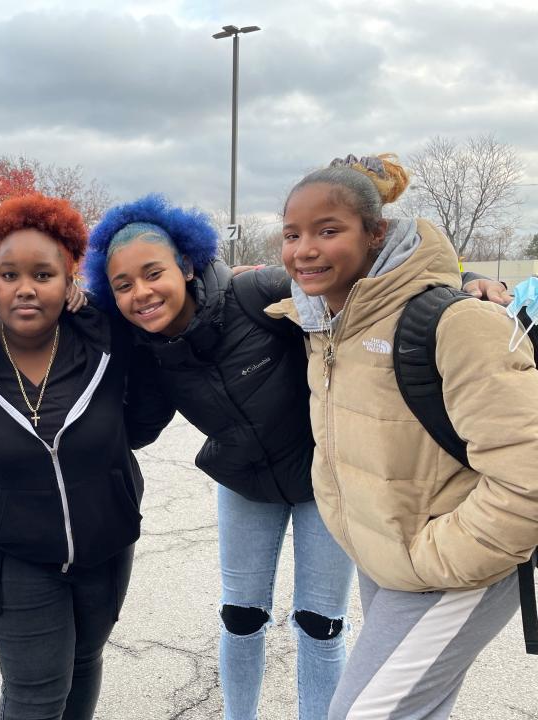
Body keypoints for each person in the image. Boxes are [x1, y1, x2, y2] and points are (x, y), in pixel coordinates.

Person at [82, 194, 510, 719]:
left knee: (319, 624)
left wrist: (463, 288)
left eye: (153, 273)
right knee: (240, 617)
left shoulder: (253, 294)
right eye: (123, 286)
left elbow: (369, 294)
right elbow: (136, 429)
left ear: (186, 264)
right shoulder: (149, 350)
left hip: (325, 483)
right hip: (244, 483)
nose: (141, 293)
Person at [266, 153, 538, 719]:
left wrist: (442, 556)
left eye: (328, 230)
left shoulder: (457, 322)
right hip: (388, 555)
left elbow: (528, 474)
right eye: (292, 233)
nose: (304, 249)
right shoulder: (324, 322)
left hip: (457, 567)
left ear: (376, 233)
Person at [0, 194, 169, 720]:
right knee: (35, 698)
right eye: (10, 274)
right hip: (16, 558)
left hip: (107, 548)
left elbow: (149, 404)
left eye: (44, 274)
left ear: (69, 281)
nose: (27, 288)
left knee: (85, 664)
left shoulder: (106, 336)